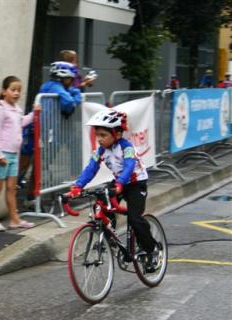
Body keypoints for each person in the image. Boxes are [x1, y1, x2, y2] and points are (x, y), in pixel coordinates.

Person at [69, 108, 162, 273]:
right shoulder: (101, 151)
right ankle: (109, 237)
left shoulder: (126, 147)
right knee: (101, 204)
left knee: (134, 219)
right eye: (97, 135)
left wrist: (120, 183)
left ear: (117, 135)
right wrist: (78, 186)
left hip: (135, 183)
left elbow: (129, 166)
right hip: (119, 182)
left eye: (103, 135)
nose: (99, 139)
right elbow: (91, 168)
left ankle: (152, 250)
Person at [19, 61, 81, 205]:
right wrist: (76, 93)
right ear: (62, 77)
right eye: (70, 79)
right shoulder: (57, 88)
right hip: (42, 131)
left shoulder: (50, 85)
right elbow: (69, 104)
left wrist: (72, 92)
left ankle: (30, 196)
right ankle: (22, 196)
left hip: (38, 129)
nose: (72, 82)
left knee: (33, 164)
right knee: (29, 164)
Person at [0, 76, 38, 232]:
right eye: (13, 89)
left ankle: (15, 219)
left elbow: (20, 122)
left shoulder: (17, 109)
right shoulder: (0, 109)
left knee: (11, 188)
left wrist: (34, 114)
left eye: (19, 90)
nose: (16, 93)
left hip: (15, 154)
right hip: (3, 154)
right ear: (3, 91)